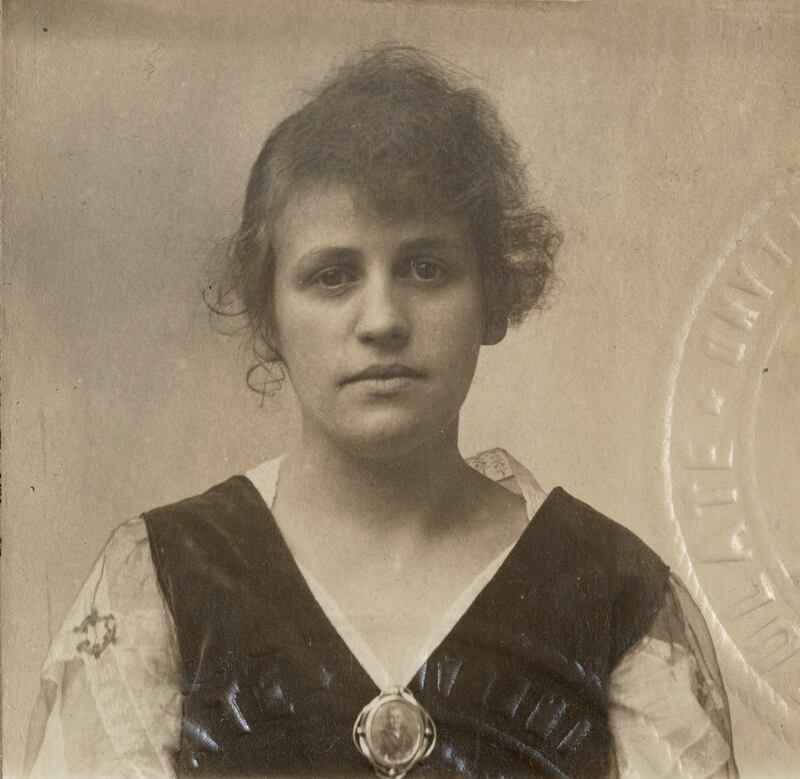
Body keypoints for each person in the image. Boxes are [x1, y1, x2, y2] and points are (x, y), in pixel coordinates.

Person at [25, 46, 739, 778]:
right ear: (269, 319)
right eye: (333, 276)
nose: (382, 320)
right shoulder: (165, 580)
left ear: (493, 297)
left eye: (427, 269)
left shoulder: (615, 594)